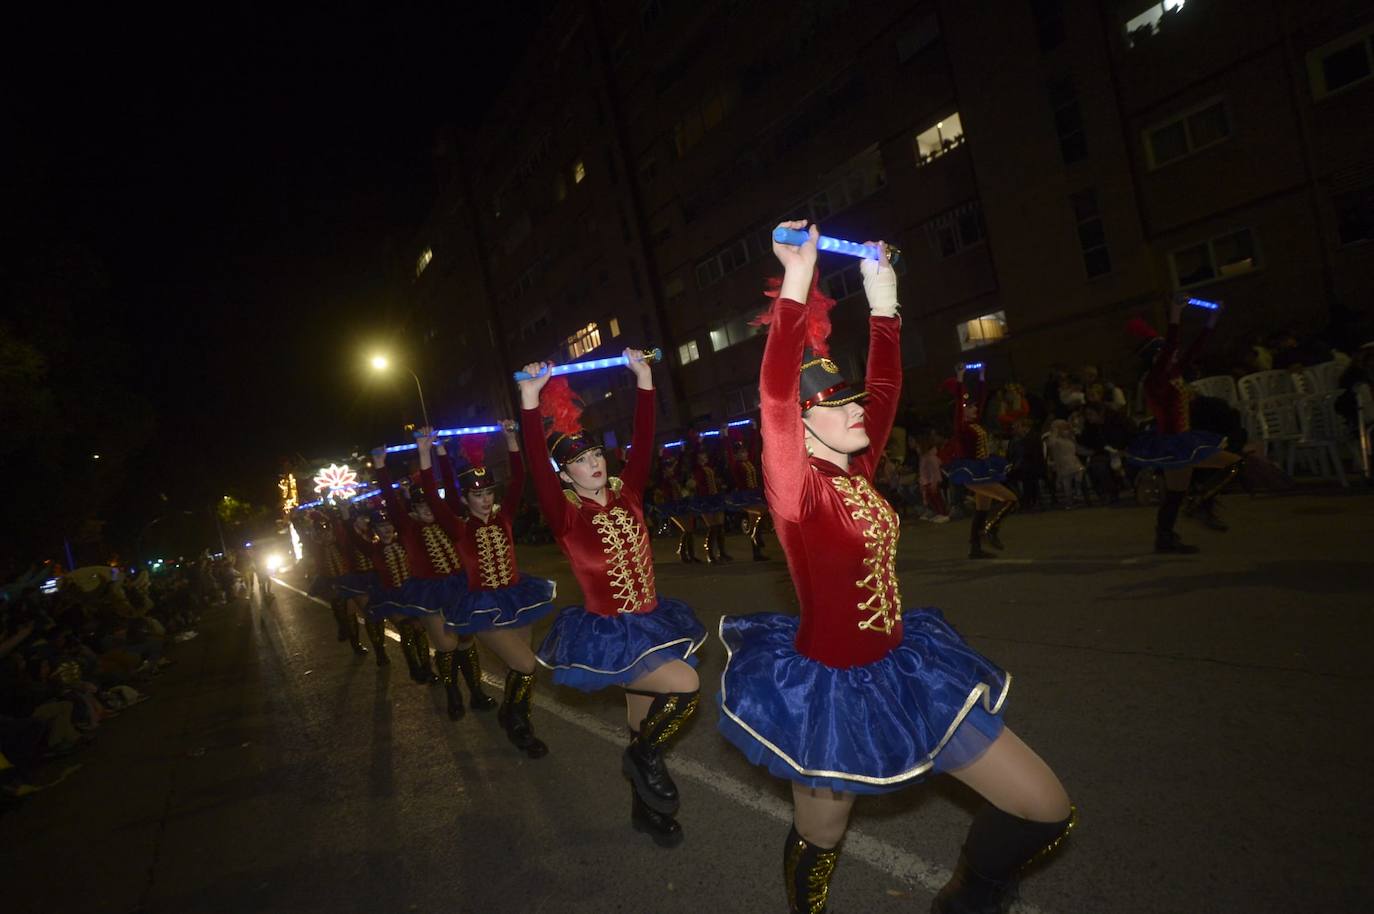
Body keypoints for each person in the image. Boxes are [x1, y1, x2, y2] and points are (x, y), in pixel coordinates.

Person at [717, 222, 1074, 914]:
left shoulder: (859, 469)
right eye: (834, 405)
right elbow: (775, 398)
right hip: (829, 694)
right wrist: (798, 279)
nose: (856, 409)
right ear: (801, 424)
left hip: (909, 671)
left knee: (1044, 809)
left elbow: (886, 384)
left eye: (850, 398)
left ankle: (967, 900)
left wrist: (883, 300)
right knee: (822, 834)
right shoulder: (796, 492)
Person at [517, 353, 707, 847]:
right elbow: (536, 462)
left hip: (652, 624)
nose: (594, 463)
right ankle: (640, 758)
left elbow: (644, 440)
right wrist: (530, 401)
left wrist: (644, 380)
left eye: (597, 455)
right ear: (565, 475)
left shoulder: (630, 495)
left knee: (641, 722)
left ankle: (646, 810)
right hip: (609, 635)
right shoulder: (566, 515)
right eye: (580, 461)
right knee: (685, 687)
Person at [441, 424, 559, 758]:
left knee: (518, 668)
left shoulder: (504, 516)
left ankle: (511, 712)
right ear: (464, 498)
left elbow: (519, 479)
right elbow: (440, 499)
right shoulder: (460, 527)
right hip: (483, 607)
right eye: (477, 495)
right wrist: (431, 453)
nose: (485, 500)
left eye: (489, 493)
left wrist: (511, 440)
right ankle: (520, 726)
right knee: (526, 664)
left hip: (517, 598)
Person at [371, 441, 495, 719]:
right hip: (429, 593)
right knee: (446, 645)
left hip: (459, 587)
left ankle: (476, 693)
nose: (427, 508)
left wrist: (441, 453)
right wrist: (380, 467)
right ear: (413, 509)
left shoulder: (446, 519)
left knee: (466, 640)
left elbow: (450, 490)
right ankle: (453, 695)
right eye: (420, 504)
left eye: (430, 502)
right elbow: (391, 502)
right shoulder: (408, 527)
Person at [1125, 298, 1245, 552]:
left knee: (1176, 493)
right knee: (1234, 464)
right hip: (1174, 443)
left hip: (1183, 441)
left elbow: (1195, 349)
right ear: (1156, 357)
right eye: (1167, 352)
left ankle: (1167, 535)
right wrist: (1176, 315)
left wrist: (1212, 320)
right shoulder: (1155, 379)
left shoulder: (1173, 373)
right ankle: (1197, 505)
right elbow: (1172, 345)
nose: (1175, 353)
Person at [942, 365, 1018, 558]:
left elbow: (982, 399)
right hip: (973, 473)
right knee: (1011, 499)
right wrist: (960, 378)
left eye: (975, 406)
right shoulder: (961, 427)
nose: (975, 408)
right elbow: (959, 404)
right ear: (963, 411)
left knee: (982, 509)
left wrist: (982, 377)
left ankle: (975, 549)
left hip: (983, 469)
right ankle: (991, 530)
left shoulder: (974, 423)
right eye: (971, 407)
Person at [727, 427, 770, 560]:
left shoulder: (748, 462)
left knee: (754, 523)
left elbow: (752, 446)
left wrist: (753, 430)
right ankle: (756, 538)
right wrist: (725, 437)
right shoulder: (736, 465)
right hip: (745, 496)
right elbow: (729, 452)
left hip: (754, 494)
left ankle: (757, 553)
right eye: (741, 453)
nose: (744, 454)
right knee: (763, 512)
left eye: (745, 452)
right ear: (736, 455)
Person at [692, 447, 733, 563]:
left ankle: (722, 553)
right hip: (704, 500)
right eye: (700, 459)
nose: (703, 460)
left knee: (720, 526)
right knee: (712, 527)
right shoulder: (697, 470)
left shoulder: (710, 468)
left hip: (715, 498)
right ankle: (710, 555)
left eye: (704, 458)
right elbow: (699, 484)